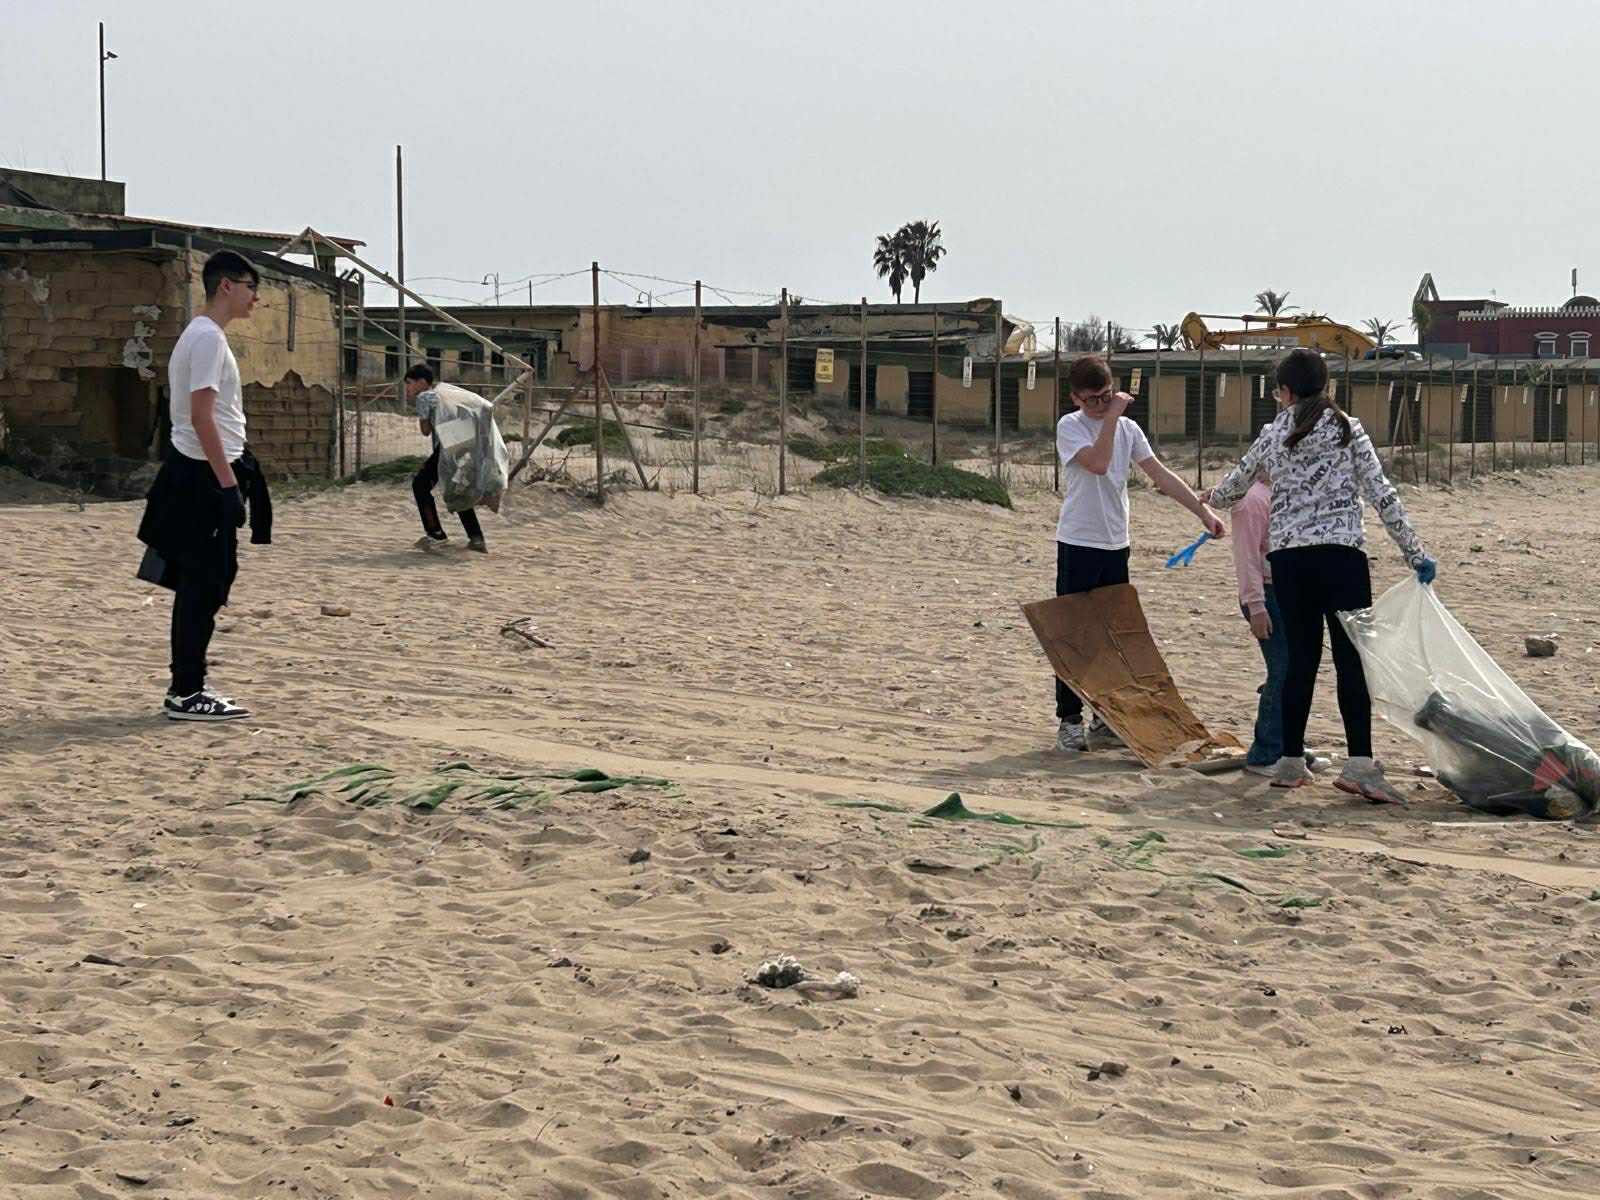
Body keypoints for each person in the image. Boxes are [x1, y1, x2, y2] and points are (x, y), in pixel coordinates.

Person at [1208, 348, 1437, 800]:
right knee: (1352, 663)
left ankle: (1290, 762)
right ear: (1326, 386)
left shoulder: (1274, 434)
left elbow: (1235, 485)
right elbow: (1382, 496)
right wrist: (1415, 553)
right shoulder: (1349, 431)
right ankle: (1359, 767)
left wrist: (1212, 497)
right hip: (1341, 558)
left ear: (1286, 392)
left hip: (1290, 562)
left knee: (1301, 661)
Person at [1053, 355, 1225, 752]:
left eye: (1107, 395)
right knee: (1074, 634)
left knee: (1115, 637)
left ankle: (1105, 717)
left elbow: (1160, 474)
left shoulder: (1128, 428)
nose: (1102, 403)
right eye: (1093, 399)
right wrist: (1110, 416)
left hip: (1116, 543)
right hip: (1079, 541)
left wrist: (1203, 512)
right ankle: (1069, 719)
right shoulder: (1071, 426)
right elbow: (1096, 464)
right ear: (1076, 397)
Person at [136, 250, 269, 722]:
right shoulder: (208, 338)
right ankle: (187, 691)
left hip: (200, 472)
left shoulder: (201, 334)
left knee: (205, 583)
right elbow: (200, 416)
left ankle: (187, 687)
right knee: (203, 586)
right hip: (202, 476)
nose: (256, 297)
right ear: (227, 286)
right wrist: (228, 485)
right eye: (252, 287)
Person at [1228, 470, 1327, 778]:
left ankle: (1291, 746)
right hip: (1266, 594)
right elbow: (1247, 560)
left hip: (1291, 591)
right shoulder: (1253, 501)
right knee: (1282, 668)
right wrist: (1256, 606)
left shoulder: (1292, 493)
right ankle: (1266, 752)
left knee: (1298, 668)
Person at [405, 362, 487, 553]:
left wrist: (423, 415)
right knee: (458, 490)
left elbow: (425, 431)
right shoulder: (445, 393)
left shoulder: (424, 397)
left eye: (409, 383)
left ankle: (435, 534)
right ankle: (476, 538)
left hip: (447, 446)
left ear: (422, 382)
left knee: (420, 485)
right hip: (464, 444)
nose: (407, 388)